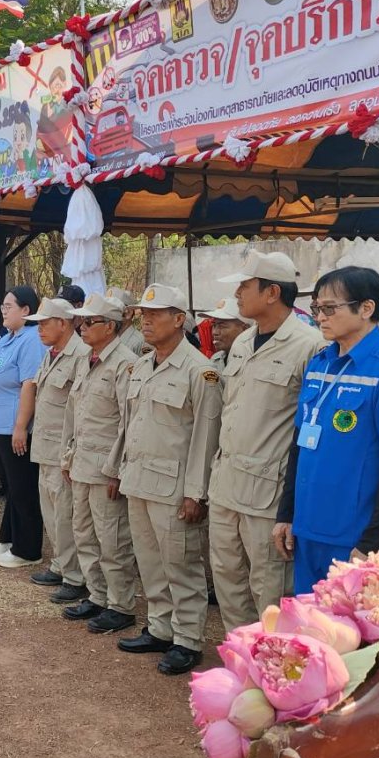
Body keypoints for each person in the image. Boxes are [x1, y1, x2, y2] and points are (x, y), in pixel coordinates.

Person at [274, 266, 379, 593]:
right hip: (309, 527)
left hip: (353, 537)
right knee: (310, 620)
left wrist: (375, 542)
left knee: (352, 623)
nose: (319, 317)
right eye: (316, 308)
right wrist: (286, 514)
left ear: (366, 308)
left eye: (330, 308)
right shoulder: (320, 363)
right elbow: (299, 444)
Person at [207, 252, 323, 632]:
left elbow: (309, 429)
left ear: (272, 292)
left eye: (245, 286)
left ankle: (272, 661)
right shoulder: (243, 343)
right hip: (226, 484)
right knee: (227, 579)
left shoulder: (310, 347)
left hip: (267, 494)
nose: (237, 294)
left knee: (269, 588)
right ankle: (239, 655)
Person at [110, 283, 222, 675]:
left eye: (156, 314)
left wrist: (196, 493)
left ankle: (188, 640)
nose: (146, 321)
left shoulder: (200, 371)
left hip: (174, 488)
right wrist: (118, 470)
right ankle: (160, 628)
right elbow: (129, 426)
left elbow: (206, 437)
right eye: (144, 314)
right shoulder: (142, 366)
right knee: (150, 562)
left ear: (178, 320)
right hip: (139, 479)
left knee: (182, 566)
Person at [61, 293, 141, 633]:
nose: (82, 327)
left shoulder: (125, 364)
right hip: (81, 462)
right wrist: (67, 456)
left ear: (110, 326)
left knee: (113, 540)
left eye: (89, 321)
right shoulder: (86, 359)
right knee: (84, 533)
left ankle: (120, 604)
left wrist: (118, 471)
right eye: (81, 321)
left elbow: (128, 422)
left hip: (105, 467)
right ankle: (97, 595)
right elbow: (73, 413)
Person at [0, 286, 47, 569]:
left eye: (9, 306)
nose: (3, 311)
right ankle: (8, 538)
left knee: (22, 488)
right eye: (3, 306)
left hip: (12, 427)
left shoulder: (32, 340)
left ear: (26, 310)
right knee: (11, 486)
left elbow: (29, 385)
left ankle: (28, 549)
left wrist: (20, 426)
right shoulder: (8, 338)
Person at [25, 297, 89, 602]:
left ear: (63, 323)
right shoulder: (51, 354)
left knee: (66, 516)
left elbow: (81, 409)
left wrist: (71, 453)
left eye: (44, 323)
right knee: (51, 512)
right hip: (45, 446)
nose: (39, 329)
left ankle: (75, 576)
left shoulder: (81, 355)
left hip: (63, 450)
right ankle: (60, 564)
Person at [198, 297, 252, 368]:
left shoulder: (253, 363)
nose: (214, 332)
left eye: (222, 326)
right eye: (214, 325)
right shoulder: (216, 358)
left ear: (245, 329)